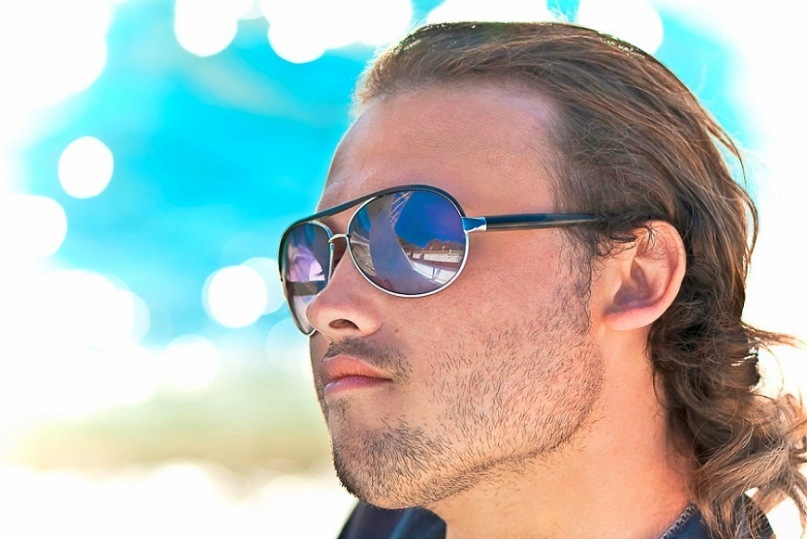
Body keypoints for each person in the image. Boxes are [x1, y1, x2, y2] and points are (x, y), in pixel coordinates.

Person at [277, 21, 807, 538]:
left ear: (637, 278)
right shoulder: (392, 520)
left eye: (415, 237)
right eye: (317, 253)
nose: (327, 305)